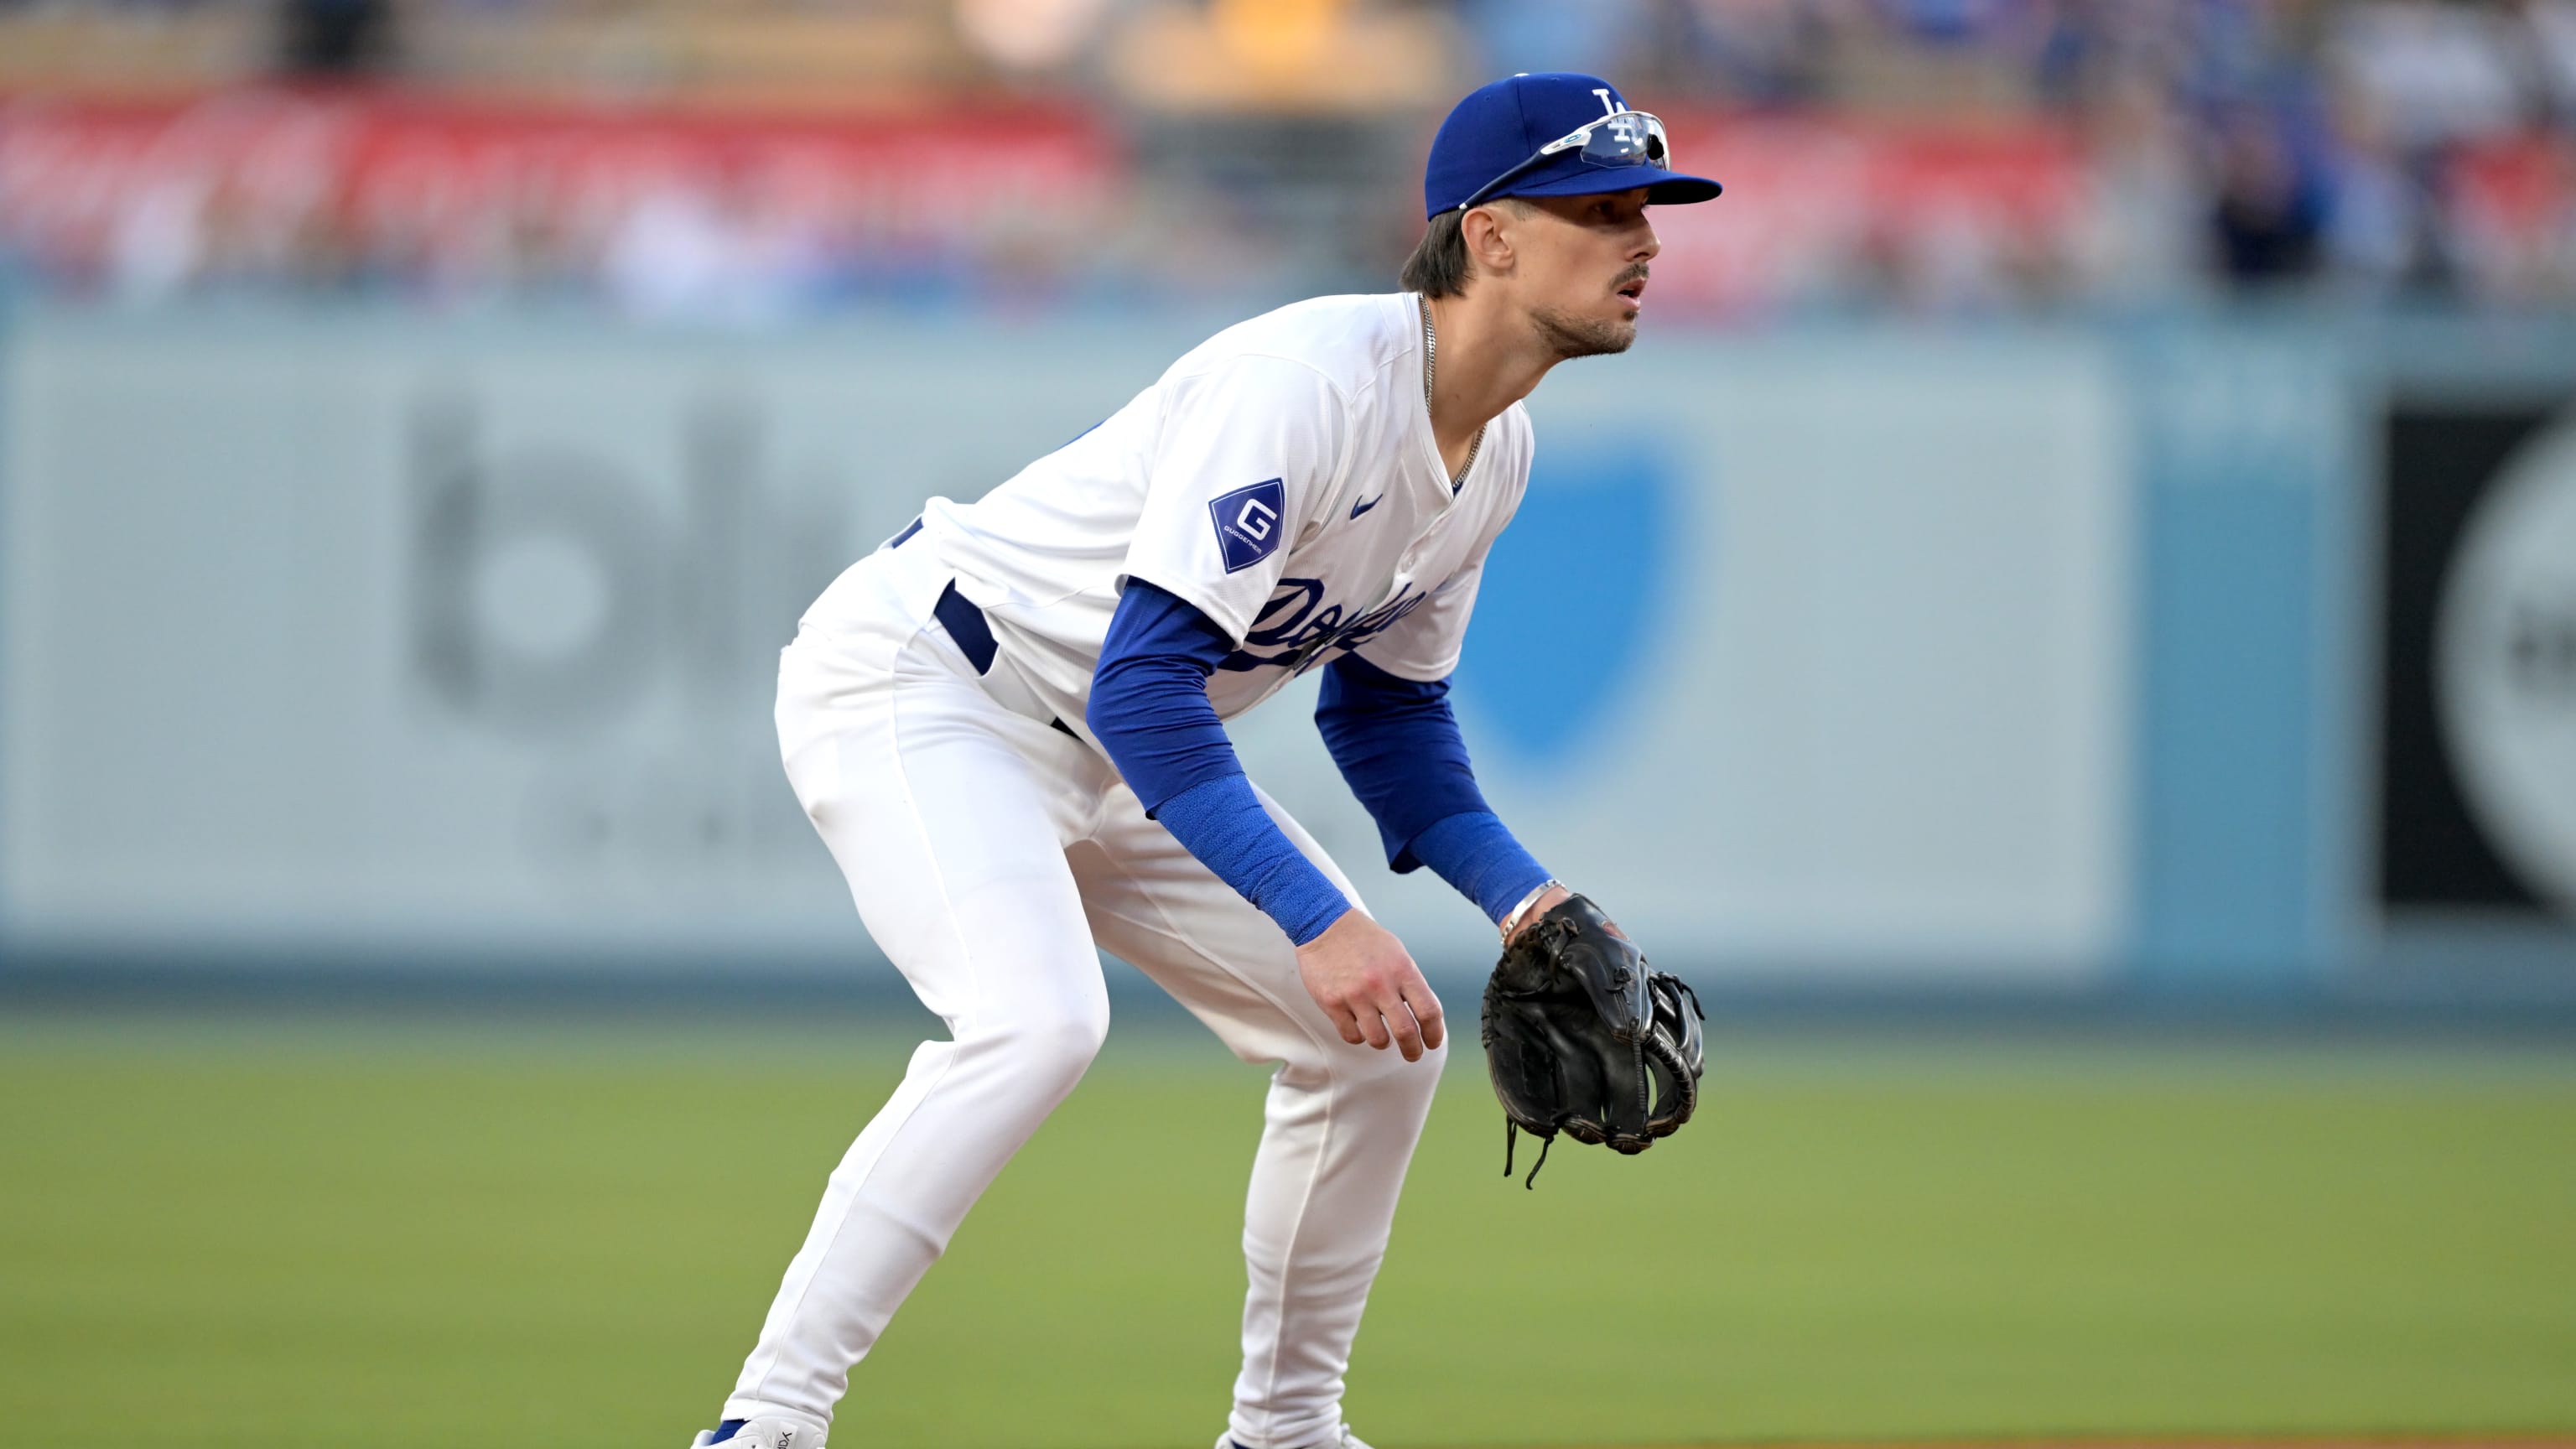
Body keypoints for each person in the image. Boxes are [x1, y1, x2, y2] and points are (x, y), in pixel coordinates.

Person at [694, 71, 1722, 1449]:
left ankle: (1284, 1430)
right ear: (1490, 236)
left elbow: (1389, 720)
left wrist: (1530, 903)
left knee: (1379, 1050)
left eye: (1647, 208)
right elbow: (1148, 688)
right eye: (1602, 207)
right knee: (1036, 1022)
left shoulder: (1498, 452)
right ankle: (767, 1427)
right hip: (930, 683)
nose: (1646, 239)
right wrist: (1319, 919)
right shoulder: (1304, 389)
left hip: (1112, 747)